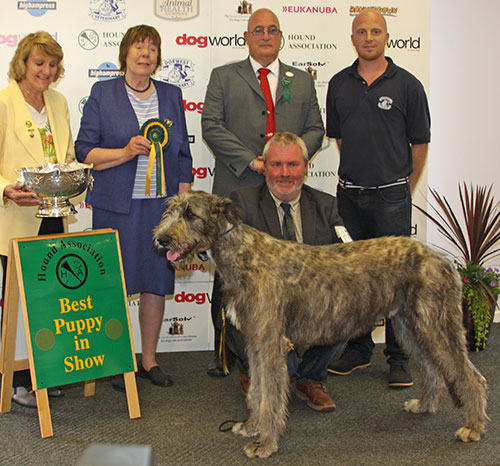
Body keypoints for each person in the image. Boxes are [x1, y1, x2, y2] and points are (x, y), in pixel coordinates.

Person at [202, 8, 324, 377]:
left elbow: (316, 129)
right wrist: (253, 162)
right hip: (237, 185)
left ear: (281, 36)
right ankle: (226, 353)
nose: (266, 36)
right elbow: (211, 126)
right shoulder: (223, 76)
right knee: (229, 275)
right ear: (247, 37)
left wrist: (285, 161)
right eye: (259, 30)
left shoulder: (301, 80)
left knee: (283, 276)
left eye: (272, 30)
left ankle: (289, 352)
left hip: (284, 189)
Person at [75, 25, 193, 390]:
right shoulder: (103, 92)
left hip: (161, 210)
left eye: (153, 48)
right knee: (114, 285)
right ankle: (115, 359)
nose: (146, 53)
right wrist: (125, 152)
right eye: (139, 46)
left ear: (158, 58)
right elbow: (84, 152)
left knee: (156, 283)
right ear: (125, 52)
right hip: (116, 207)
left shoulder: (172, 95)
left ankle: (149, 361)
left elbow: (184, 157)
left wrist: (182, 210)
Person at [326, 8, 431, 388]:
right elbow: (339, 137)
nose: (368, 37)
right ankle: (358, 350)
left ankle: (399, 358)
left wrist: (402, 186)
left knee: (397, 282)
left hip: (391, 198)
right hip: (349, 196)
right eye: (361, 31)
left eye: (376, 31)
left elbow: (419, 143)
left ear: (387, 36)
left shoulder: (408, 85)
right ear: (352, 38)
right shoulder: (338, 83)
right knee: (354, 280)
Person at [225, 132, 348, 412]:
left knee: (348, 310)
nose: (284, 173)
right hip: (262, 311)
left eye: (292, 165)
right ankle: (254, 371)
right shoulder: (241, 203)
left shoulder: (327, 205)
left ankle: (311, 379)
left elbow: (346, 260)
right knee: (281, 366)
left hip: (310, 308)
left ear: (306, 167)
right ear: (264, 166)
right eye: (277, 165)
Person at [0, 31, 74, 407]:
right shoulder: (4, 103)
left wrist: (76, 173)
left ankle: (42, 374)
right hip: (15, 218)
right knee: (16, 304)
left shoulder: (59, 103)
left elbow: (68, 153)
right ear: (23, 64)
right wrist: (6, 188)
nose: (46, 70)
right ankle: (14, 381)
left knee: (48, 301)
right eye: (39, 63)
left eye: (52, 64)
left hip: (53, 217)